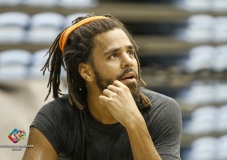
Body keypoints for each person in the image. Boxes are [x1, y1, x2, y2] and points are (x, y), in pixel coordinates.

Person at [23, 14, 182, 160]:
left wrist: (134, 122)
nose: (129, 61)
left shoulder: (163, 110)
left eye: (131, 52)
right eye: (114, 55)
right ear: (87, 72)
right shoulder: (55, 116)